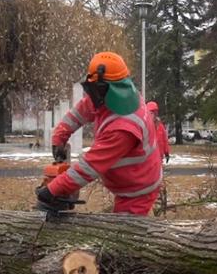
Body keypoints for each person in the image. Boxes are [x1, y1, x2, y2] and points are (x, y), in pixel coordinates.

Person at [36, 52, 161, 215]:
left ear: (103, 88)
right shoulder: (112, 96)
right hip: (129, 179)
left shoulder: (124, 129)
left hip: (138, 190)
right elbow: (81, 111)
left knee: (124, 229)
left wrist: (52, 191)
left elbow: (90, 167)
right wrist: (60, 135)